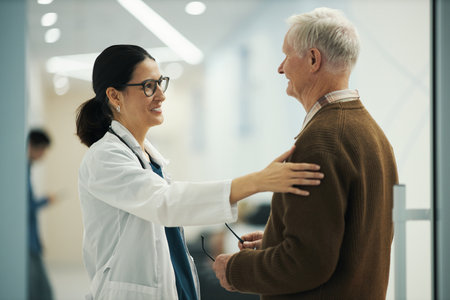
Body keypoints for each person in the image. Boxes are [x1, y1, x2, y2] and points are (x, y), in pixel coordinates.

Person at [75, 44, 324, 300]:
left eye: (160, 83)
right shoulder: (105, 157)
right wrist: (258, 181)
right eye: (149, 86)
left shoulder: (149, 156)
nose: (161, 95)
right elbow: (165, 202)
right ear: (115, 96)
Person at [212, 7, 399, 300]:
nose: (280, 67)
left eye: (286, 55)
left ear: (313, 59)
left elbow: (307, 262)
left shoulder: (321, 141)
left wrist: (235, 269)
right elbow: (344, 238)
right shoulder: (371, 133)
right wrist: (274, 240)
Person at [27, 129, 54, 300]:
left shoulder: (25, 169)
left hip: (30, 243)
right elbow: (25, 207)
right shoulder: (20, 171)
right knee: (42, 292)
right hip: (27, 245)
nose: (43, 155)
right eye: (43, 150)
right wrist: (46, 200)